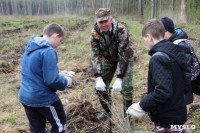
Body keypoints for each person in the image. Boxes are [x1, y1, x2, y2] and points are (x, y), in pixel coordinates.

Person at [126, 19, 187, 132]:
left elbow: (163, 90)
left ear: (149, 37)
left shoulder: (158, 57)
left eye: (145, 39)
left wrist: (141, 106)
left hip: (167, 119)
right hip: (178, 113)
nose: (145, 43)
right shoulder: (173, 50)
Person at [19, 23, 74, 133]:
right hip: (43, 99)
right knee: (60, 125)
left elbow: (35, 72)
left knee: (36, 129)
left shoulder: (31, 47)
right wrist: (66, 81)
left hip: (26, 98)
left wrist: (59, 74)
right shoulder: (48, 51)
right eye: (60, 40)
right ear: (55, 36)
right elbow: (51, 80)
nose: (59, 43)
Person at [90, 8, 134, 120]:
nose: (104, 24)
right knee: (99, 88)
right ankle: (108, 111)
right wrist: (98, 77)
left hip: (125, 58)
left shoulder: (121, 29)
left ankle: (126, 117)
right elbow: (95, 55)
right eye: (100, 22)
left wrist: (119, 78)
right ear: (97, 21)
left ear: (111, 19)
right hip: (108, 59)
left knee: (127, 87)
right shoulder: (95, 33)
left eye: (106, 21)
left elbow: (123, 54)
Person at [160, 16, 200, 104]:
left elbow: (186, 72)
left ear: (167, 31)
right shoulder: (176, 41)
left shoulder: (179, 45)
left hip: (184, 91)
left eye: (161, 32)